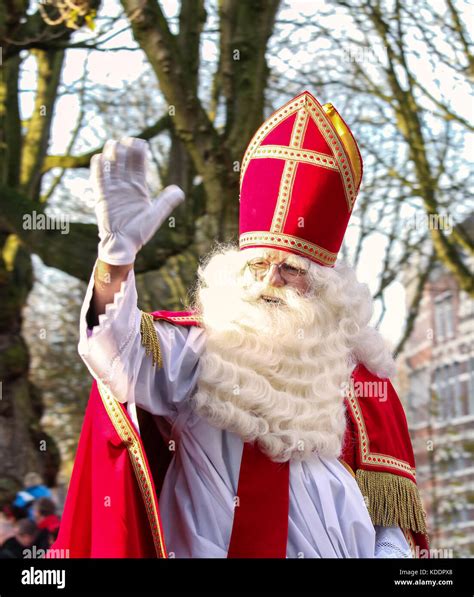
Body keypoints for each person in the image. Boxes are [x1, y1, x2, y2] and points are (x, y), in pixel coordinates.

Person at [52, 91, 429, 558]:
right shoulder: (196, 352)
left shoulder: (363, 381)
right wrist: (116, 256)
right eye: (258, 266)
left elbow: (392, 528)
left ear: (327, 288)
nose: (270, 281)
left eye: (291, 269)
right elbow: (111, 349)